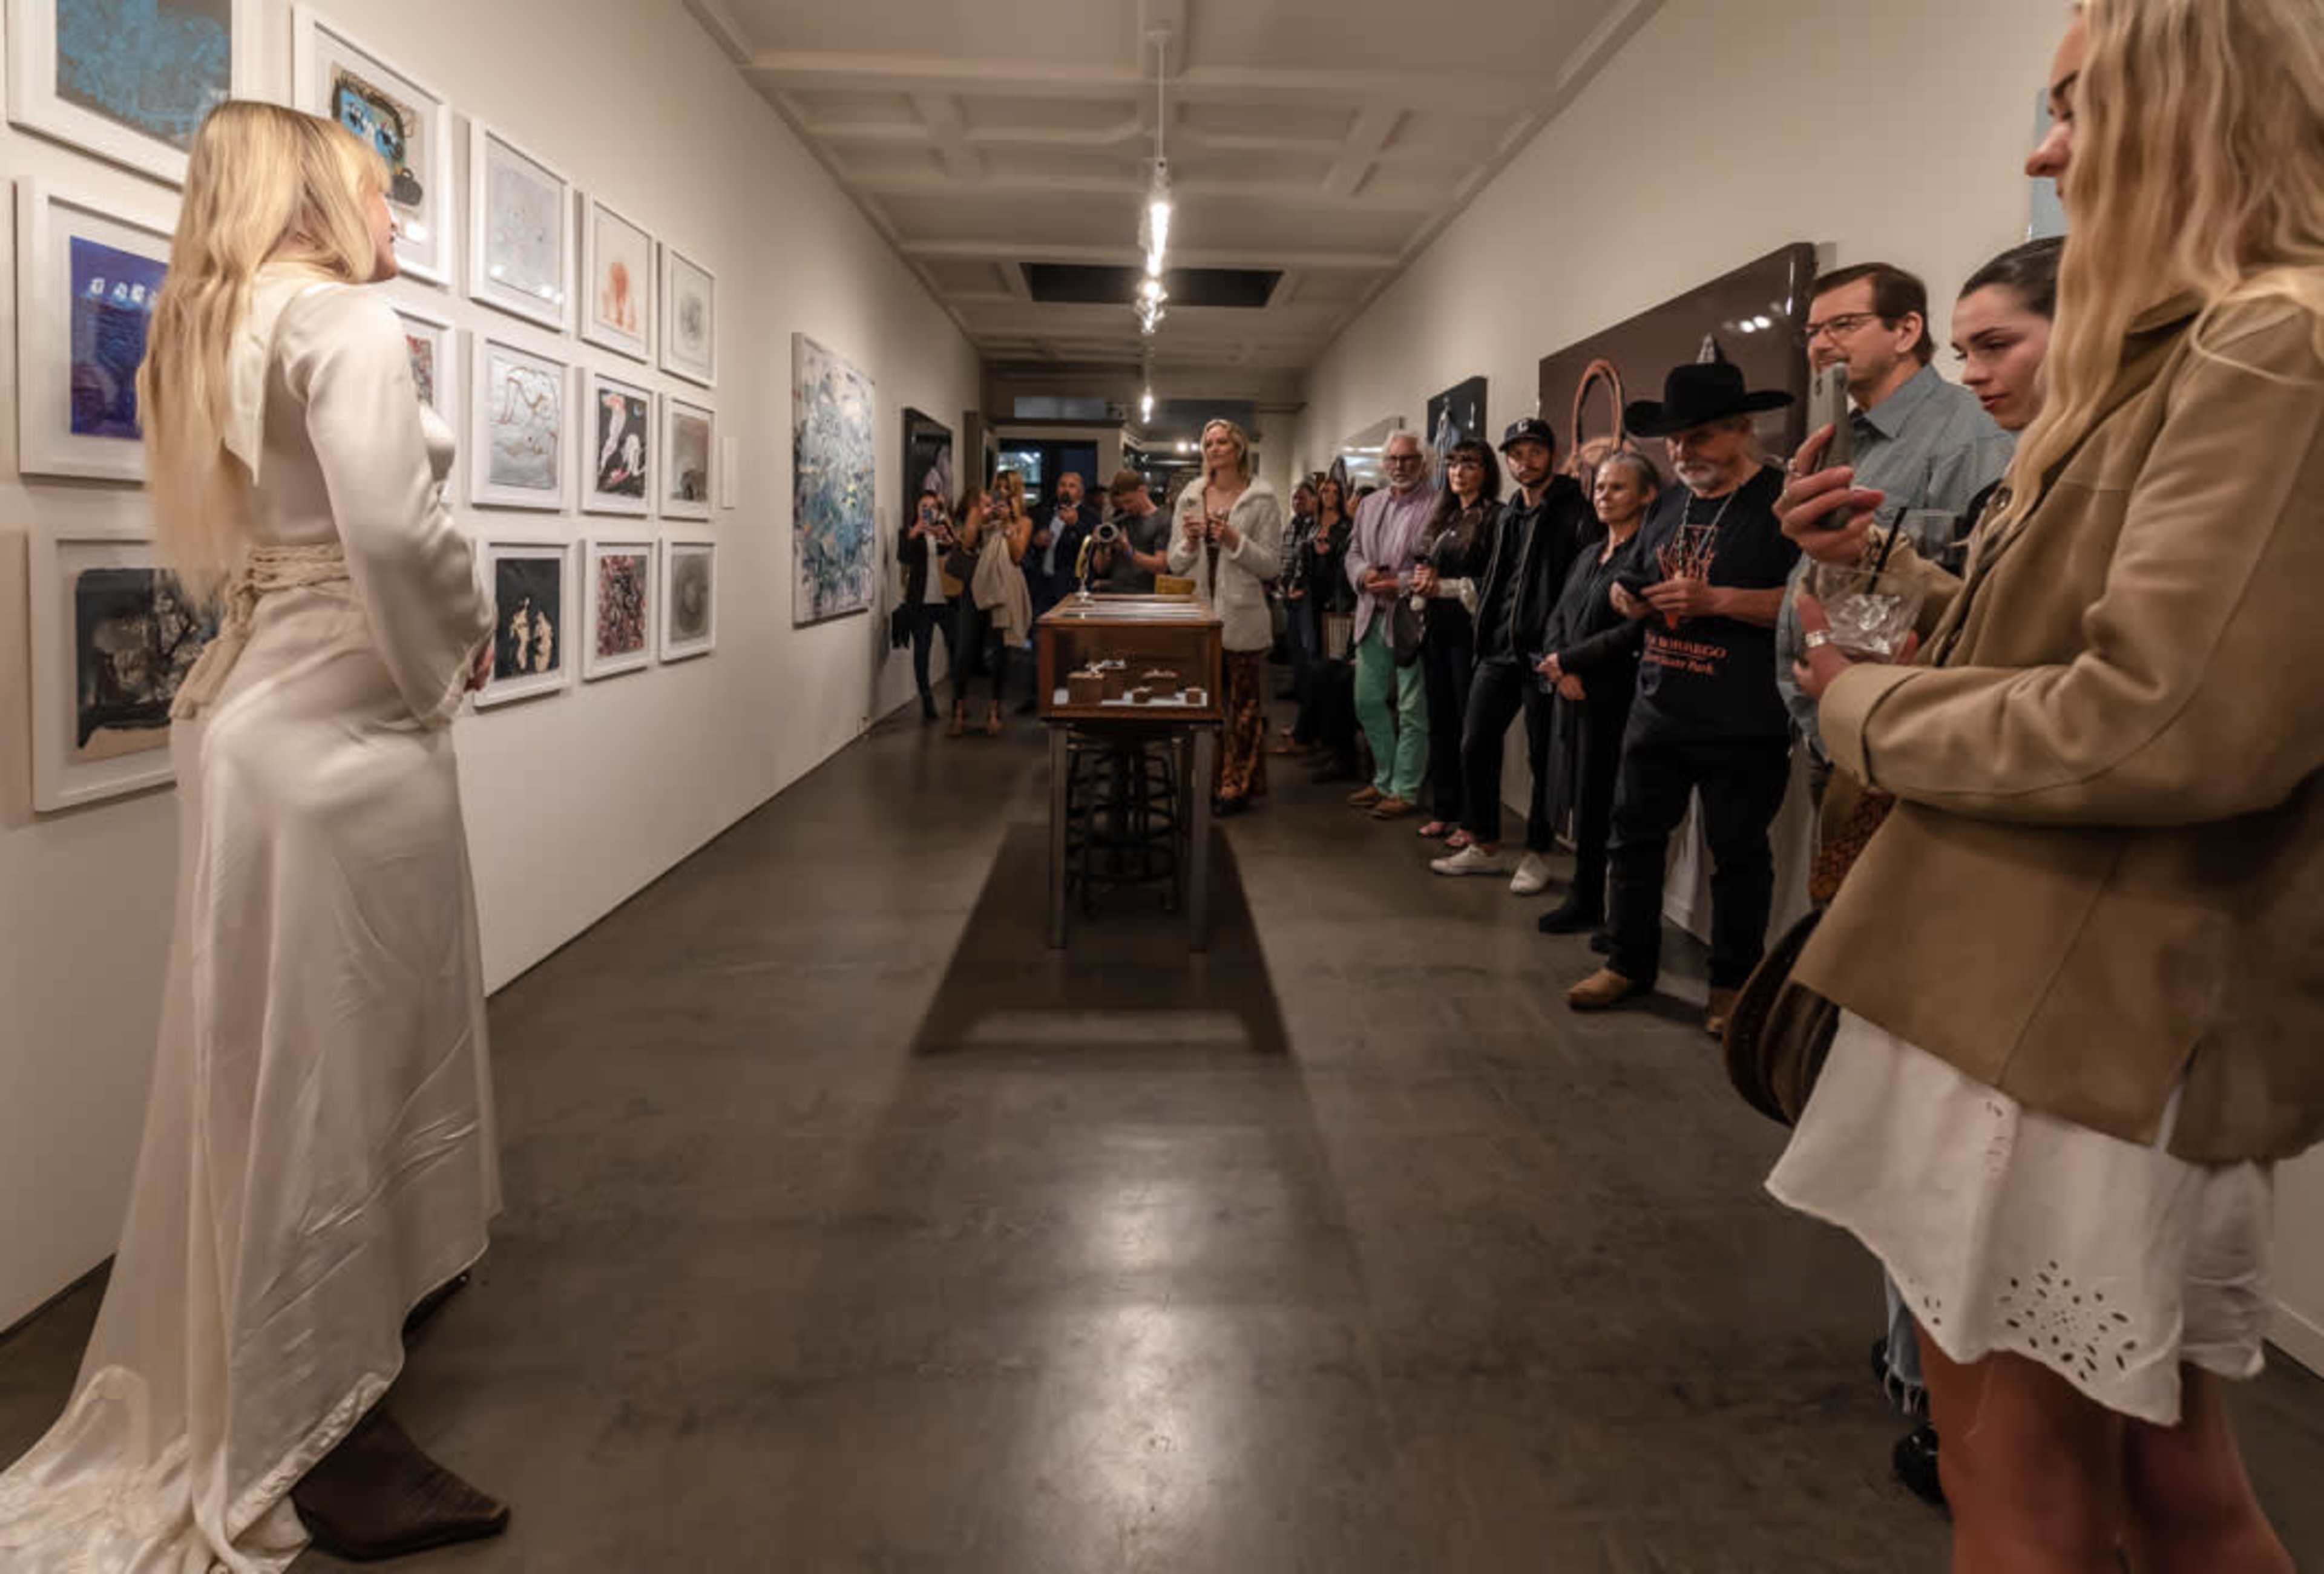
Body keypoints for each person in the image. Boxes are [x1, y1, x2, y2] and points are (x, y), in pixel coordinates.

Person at [1768, 4, 2322, 1569]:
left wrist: (1864, 714)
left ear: (2193, 105)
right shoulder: (2196, 353)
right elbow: (2070, 641)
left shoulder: (2268, 348)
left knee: (2027, 1505)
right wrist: (1883, 566)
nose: (2041, 149)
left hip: (2068, 1014)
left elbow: (2165, 721)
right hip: (2063, 995)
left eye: (2076, 109)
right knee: (2164, 1495)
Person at [0, 102, 508, 1568]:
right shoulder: (336, 323)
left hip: (256, 718)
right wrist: (454, 647)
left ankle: (333, 1336)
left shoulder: (202, 330)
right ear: (313, 193)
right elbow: (400, 540)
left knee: (266, 1058)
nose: (394, 222)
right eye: (377, 192)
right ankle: (319, 1426)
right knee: (325, 1067)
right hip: (346, 738)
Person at [1872, 233, 2065, 1510]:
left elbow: (2112, 716)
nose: (1973, 368)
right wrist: (1870, 561)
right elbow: (1979, 631)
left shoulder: (2111, 470)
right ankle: (1938, 1400)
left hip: (2054, 913)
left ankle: (1965, 1423)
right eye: (1966, 347)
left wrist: (1864, 715)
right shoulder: (2046, 473)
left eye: (1998, 342)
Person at [1565, 358, 1799, 1035]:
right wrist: (1625, 596)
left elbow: (1811, 601)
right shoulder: (1670, 501)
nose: (1681, 452)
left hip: (1744, 714)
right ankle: (1628, 960)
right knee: (1632, 840)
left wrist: (1717, 599)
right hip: (1659, 703)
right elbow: (1634, 576)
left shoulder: (1783, 503)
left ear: (1741, 430)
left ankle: (1733, 986)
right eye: (1673, 441)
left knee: (1738, 856)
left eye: (1696, 438)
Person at [1774, 261, 2015, 784]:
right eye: (1812, 331)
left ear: (1905, 331)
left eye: (1843, 325)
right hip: (1829, 721)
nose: (1820, 344)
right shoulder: (1838, 439)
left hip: (1904, 732)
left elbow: (1982, 610)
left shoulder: (1974, 436)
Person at [1430, 417, 1595, 888]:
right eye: (1516, 453)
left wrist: (1567, 651)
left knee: (1544, 758)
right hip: (1498, 649)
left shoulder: (1575, 512)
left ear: (1550, 453)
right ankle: (1483, 842)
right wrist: (1485, 635)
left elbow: (1579, 588)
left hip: (1546, 655)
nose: (1525, 461)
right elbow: (1499, 582)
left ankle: (1538, 853)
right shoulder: (1507, 515)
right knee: (1474, 743)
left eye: (1534, 451)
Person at [1531, 450, 1659, 935]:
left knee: (1613, 808)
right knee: (1583, 803)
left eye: (1618, 488)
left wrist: (1572, 662)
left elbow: (1634, 631)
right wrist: (1556, 664)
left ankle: (1617, 914)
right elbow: (1559, 615)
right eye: (1600, 487)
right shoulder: (1589, 554)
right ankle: (1584, 898)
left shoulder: (1645, 558)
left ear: (1647, 495)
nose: (1604, 496)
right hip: (1572, 691)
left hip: (1617, 695)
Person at [1167, 419, 1284, 815]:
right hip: (1201, 617)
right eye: (1208, 443)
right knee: (1206, 705)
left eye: (1222, 442)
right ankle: (1210, 776)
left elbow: (1271, 566)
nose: (1214, 449)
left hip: (1244, 616)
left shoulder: (1261, 499)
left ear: (1238, 449)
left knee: (1245, 708)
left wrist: (1233, 539)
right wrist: (1191, 540)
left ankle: (1238, 782)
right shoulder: (1190, 496)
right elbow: (1175, 562)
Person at [1410, 439, 1500, 845]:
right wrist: (1422, 580)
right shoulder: (1444, 516)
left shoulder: (1496, 517)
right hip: (1436, 631)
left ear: (1486, 471)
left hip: (1471, 634)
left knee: (1471, 731)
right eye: (1453, 464)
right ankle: (1444, 809)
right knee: (1440, 724)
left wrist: (1443, 586)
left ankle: (1472, 818)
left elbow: (1496, 583)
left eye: (1469, 464)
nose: (1459, 472)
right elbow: (1424, 563)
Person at [1344, 431, 1436, 819]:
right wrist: (1364, 575)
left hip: (1412, 618)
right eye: (1394, 460)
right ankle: (1383, 779)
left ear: (1424, 463)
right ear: (1384, 464)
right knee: (1367, 701)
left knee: (1414, 709)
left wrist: (1397, 583)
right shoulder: (1369, 504)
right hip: (1370, 614)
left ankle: (1406, 788)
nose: (1400, 467)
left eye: (1409, 459)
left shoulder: (1437, 505)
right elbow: (1353, 551)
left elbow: (1435, 562)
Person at [1291, 473, 1361, 775]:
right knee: (1311, 663)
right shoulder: (1311, 525)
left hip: (1337, 606)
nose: (1330, 495)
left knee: (1326, 666)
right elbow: (1300, 559)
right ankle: (1313, 738)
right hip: (1311, 599)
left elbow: (1346, 571)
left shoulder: (1347, 529)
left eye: (1335, 491)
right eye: (1326, 491)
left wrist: (1329, 554)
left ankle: (1314, 739)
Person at [950, 483, 1029, 738]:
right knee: (964, 651)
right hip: (973, 594)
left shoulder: (1019, 524)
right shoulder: (973, 524)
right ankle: (958, 712)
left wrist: (1006, 525)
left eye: (993, 503)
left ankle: (994, 712)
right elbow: (967, 545)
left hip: (1000, 595)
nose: (991, 508)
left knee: (999, 654)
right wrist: (976, 520)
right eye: (985, 503)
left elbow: (1018, 557)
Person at [899, 487, 963, 720]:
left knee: (958, 648)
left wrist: (947, 536)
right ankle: (927, 700)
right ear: (916, 509)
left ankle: (959, 699)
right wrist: (916, 531)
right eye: (923, 507)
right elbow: (903, 557)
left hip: (946, 602)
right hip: (921, 604)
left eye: (932, 507)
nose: (927, 511)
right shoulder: (909, 533)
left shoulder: (943, 530)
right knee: (922, 653)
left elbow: (960, 554)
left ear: (938, 510)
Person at [1273, 476, 1324, 719]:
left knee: (1308, 647)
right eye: (1295, 498)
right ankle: (1298, 687)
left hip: (1305, 594)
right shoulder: (1293, 525)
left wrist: (1300, 586)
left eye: (1302, 498)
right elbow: (1286, 556)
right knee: (1294, 645)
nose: (1297, 502)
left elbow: (1307, 562)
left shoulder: (1317, 526)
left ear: (1315, 500)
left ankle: (1309, 695)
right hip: (1288, 591)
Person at [1025, 469, 1095, 624]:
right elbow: (1028, 543)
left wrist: (1076, 525)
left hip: (1070, 586)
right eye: (1062, 485)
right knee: (1040, 632)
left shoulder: (1090, 516)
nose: (1066, 490)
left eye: (1072, 486)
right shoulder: (1043, 512)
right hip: (1042, 584)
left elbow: (1092, 547)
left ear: (1081, 492)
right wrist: (1036, 541)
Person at [1094, 468, 1170, 592]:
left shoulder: (1163, 520)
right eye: (1122, 504)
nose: (1126, 507)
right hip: (1117, 594)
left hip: (1147, 596)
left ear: (1142, 491)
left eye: (1129, 501)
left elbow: (1161, 566)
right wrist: (1101, 547)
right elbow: (1100, 569)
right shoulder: (1117, 521)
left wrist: (1128, 550)